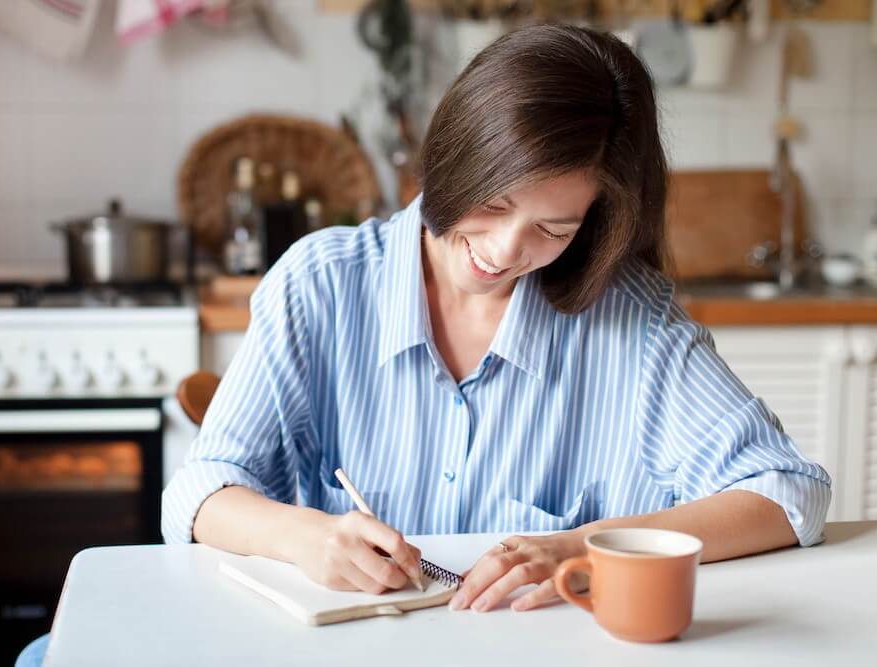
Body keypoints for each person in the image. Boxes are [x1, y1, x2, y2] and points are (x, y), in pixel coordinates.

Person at [161, 23, 831, 616]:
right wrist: (303, 536)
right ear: (455, 153)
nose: (507, 251)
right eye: (495, 199)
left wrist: (584, 550)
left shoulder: (630, 321)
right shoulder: (319, 285)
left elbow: (786, 491)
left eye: (554, 227)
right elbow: (198, 492)